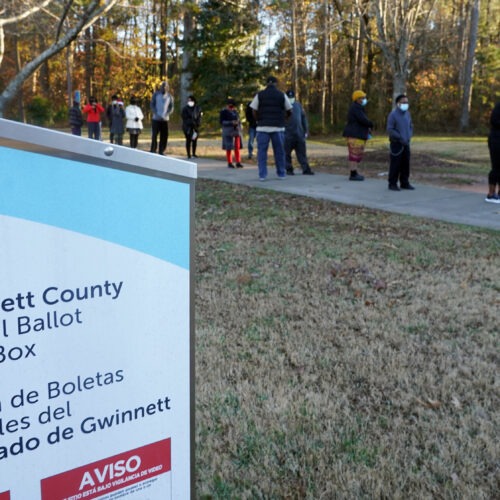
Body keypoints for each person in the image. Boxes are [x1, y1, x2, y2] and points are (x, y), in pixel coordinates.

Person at [250, 76, 292, 181]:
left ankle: (262, 175)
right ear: (276, 84)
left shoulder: (260, 95)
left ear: (266, 84)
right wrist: (285, 119)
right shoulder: (281, 95)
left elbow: (253, 110)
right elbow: (290, 109)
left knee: (262, 152)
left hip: (262, 127)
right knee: (279, 152)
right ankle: (281, 173)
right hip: (278, 127)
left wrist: (258, 119)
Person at [342, 90, 374, 181]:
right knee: (354, 154)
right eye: (362, 98)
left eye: (364, 98)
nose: (364, 100)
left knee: (356, 154)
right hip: (355, 135)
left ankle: (354, 171)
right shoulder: (356, 108)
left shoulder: (358, 107)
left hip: (357, 134)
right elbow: (362, 119)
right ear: (357, 99)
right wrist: (371, 124)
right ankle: (353, 173)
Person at [386, 94, 414, 191]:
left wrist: (409, 136)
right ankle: (392, 183)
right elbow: (390, 129)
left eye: (406, 102)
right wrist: (399, 137)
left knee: (406, 164)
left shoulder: (407, 114)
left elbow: (410, 126)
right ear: (398, 104)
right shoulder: (393, 115)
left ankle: (404, 182)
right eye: (403, 102)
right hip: (396, 143)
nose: (405, 104)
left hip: (406, 143)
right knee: (395, 164)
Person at [284, 89, 314, 176]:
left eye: (292, 97)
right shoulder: (283, 107)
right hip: (288, 134)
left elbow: (303, 118)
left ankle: (306, 169)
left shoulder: (298, 105)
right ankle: (289, 169)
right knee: (287, 153)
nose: (291, 99)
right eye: (289, 97)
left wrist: (306, 130)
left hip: (299, 134)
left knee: (302, 153)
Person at [150, 81, 174, 155]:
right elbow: (152, 104)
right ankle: (153, 149)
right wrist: (155, 112)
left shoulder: (170, 97)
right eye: (163, 86)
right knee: (154, 135)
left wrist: (168, 113)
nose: (164, 88)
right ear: (160, 87)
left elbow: (171, 107)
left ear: (167, 88)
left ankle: (161, 150)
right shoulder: (156, 95)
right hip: (156, 119)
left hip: (165, 119)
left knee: (164, 136)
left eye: (165, 86)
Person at [220, 97, 243, 168]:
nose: (231, 107)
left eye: (232, 105)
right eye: (230, 105)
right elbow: (222, 122)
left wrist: (238, 124)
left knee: (237, 147)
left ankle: (238, 162)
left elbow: (239, 120)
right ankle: (229, 162)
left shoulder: (235, 112)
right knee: (229, 147)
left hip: (236, 131)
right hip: (228, 131)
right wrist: (231, 122)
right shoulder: (223, 112)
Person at [485, 102, 500, 203]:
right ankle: (491, 194)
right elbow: (494, 121)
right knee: (497, 167)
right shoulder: (498, 107)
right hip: (496, 140)